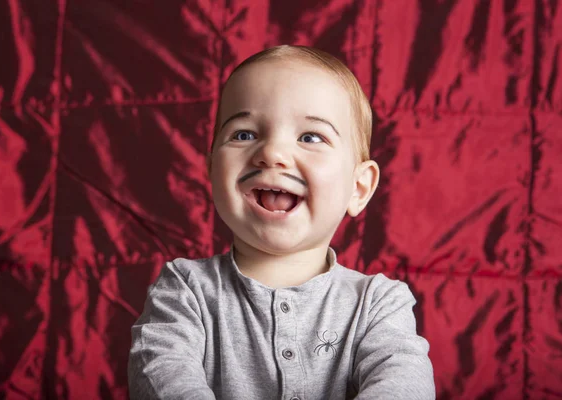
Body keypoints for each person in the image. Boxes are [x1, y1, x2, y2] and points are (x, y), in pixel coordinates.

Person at [128, 45, 435, 399]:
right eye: (244, 134)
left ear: (358, 187)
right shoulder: (184, 291)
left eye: (310, 137)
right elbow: (160, 375)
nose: (272, 153)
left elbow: (404, 387)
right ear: (212, 171)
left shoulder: (380, 303)